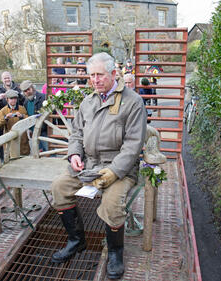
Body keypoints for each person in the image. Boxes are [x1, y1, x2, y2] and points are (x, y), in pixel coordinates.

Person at [51, 52, 147, 280]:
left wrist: (114, 172)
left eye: (100, 75)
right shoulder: (88, 101)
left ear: (114, 74)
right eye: (91, 75)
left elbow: (134, 145)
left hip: (120, 169)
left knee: (113, 204)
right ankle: (76, 241)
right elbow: (76, 133)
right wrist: (74, 154)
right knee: (59, 188)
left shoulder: (132, 102)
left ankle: (115, 253)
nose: (95, 80)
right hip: (88, 167)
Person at [0, 89, 30, 155]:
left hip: (22, 140)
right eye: (11, 98)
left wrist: (22, 116)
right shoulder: (3, 111)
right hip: (9, 141)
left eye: (15, 98)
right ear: (7, 99)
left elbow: (28, 121)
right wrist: (5, 118)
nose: (14, 100)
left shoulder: (22, 108)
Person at [20, 80, 48, 152]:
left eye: (28, 89)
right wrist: (29, 129)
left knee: (48, 151)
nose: (27, 92)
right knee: (38, 152)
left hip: (44, 131)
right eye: (25, 91)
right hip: (34, 132)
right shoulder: (26, 102)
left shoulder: (43, 97)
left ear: (32, 88)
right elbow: (28, 116)